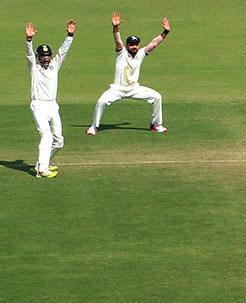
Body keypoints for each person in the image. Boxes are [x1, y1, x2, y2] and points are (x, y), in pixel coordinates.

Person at [86, 12, 170, 135]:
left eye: (136, 44)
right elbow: (117, 40)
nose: (134, 46)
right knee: (101, 102)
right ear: (127, 45)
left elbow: (154, 43)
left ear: (138, 45)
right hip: (118, 89)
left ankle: (156, 125)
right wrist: (115, 27)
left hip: (134, 88)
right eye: (131, 44)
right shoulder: (121, 53)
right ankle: (94, 126)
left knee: (157, 97)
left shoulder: (141, 54)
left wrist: (165, 32)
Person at [25, 19, 76, 178]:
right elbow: (29, 55)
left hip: (53, 105)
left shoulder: (55, 65)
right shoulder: (34, 68)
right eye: (43, 56)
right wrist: (29, 40)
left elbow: (63, 52)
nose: (46, 59)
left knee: (59, 141)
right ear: (38, 57)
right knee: (46, 135)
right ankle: (42, 170)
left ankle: (43, 163)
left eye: (48, 56)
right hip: (38, 105)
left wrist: (70, 35)